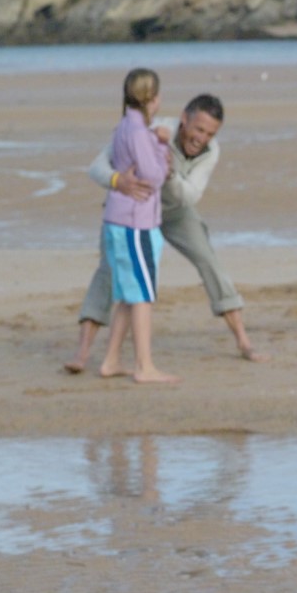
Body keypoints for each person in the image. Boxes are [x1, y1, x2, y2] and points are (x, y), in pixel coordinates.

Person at [67, 92, 263, 370]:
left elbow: (190, 196)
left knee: (208, 259)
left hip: (174, 210)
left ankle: (244, 342)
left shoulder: (212, 150)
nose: (202, 138)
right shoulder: (149, 130)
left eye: (209, 133)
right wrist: (117, 180)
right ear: (184, 119)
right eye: (198, 129)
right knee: (109, 271)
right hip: (134, 206)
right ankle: (82, 354)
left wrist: (168, 175)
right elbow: (96, 167)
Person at [97, 67, 178, 384]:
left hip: (123, 220)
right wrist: (161, 145)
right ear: (152, 98)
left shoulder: (124, 127)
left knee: (130, 295)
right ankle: (145, 366)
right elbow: (154, 176)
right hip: (135, 223)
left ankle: (111, 360)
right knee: (142, 295)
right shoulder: (138, 132)